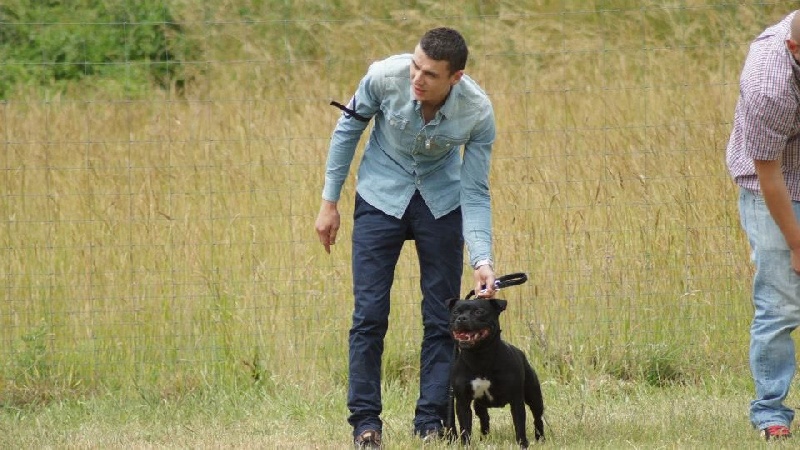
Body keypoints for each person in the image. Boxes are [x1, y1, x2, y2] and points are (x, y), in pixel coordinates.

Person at [314, 27, 498, 448]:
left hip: (441, 201)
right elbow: (346, 131)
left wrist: (482, 259)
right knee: (369, 315)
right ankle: (365, 424)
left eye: (430, 74)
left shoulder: (477, 110)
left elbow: (474, 190)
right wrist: (329, 203)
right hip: (380, 194)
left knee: (442, 318)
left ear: (455, 77)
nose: (417, 77)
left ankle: (430, 422)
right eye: (415, 66)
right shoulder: (382, 77)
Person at [727, 9, 800, 441]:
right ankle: (771, 412)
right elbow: (769, 175)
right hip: (775, 183)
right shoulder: (768, 86)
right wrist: (797, 244)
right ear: (795, 50)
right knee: (781, 304)